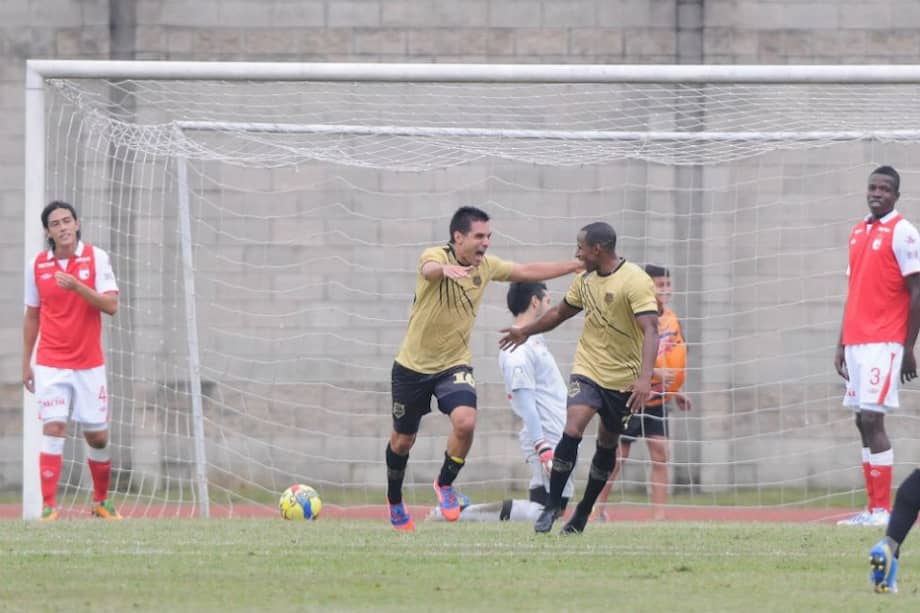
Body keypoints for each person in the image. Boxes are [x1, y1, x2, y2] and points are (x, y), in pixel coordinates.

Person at [385, 206, 581, 531]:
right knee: (403, 441)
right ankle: (394, 501)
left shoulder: (486, 267)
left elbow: (528, 270)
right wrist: (444, 270)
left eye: (488, 236)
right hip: (411, 368)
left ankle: (444, 485)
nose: (485, 243)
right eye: (479, 236)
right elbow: (430, 269)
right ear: (458, 237)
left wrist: (575, 264)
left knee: (466, 422)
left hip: (453, 364)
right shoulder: (435, 255)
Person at [499, 221, 659, 535]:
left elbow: (651, 329)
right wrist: (524, 331)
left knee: (606, 443)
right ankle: (552, 506)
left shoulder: (635, 281)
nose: (577, 253)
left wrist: (644, 378)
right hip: (588, 369)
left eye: (580, 247)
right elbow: (559, 313)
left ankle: (583, 513)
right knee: (571, 429)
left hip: (623, 378)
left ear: (596, 249)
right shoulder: (584, 281)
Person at [427, 281, 575, 523]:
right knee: (552, 510)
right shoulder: (517, 349)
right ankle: (458, 515)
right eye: (548, 300)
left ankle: (458, 514)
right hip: (547, 433)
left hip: (554, 428)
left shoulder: (533, 338)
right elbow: (525, 399)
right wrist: (543, 445)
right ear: (535, 301)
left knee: (546, 504)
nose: (552, 307)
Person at [22, 201, 122, 521]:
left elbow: (110, 306)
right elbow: (32, 315)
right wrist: (26, 362)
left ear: (77, 224)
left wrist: (78, 286)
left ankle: (101, 502)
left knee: (97, 436)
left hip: (89, 364)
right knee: (53, 427)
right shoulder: (36, 265)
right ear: (47, 232)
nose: (63, 227)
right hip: (51, 361)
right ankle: (49, 507)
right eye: (55, 223)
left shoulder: (97, 258)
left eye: (67, 220)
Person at [834, 166, 920, 528]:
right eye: (873, 188)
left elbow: (917, 291)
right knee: (860, 419)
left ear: (896, 196)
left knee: (873, 418)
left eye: (885, 189)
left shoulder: (903, 232)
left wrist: (908, 347)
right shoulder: (858, 231)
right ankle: (873, 510)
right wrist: (840, 343)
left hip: (885, 340)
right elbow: (854, 290)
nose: (877, 194)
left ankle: (883, 511)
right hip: (856, 341)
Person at [593, 264, 691, 521]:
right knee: (617, 457)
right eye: (660, 285)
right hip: (632, 396)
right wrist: (655, 376)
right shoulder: (636, 316)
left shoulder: (672, 319)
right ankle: (597, 508)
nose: (666, 290)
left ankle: (658, 516)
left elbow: (673, 358)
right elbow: (624, 356)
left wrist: (676, 389)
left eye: (668, 284)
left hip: (658, 400)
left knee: (660, 452)